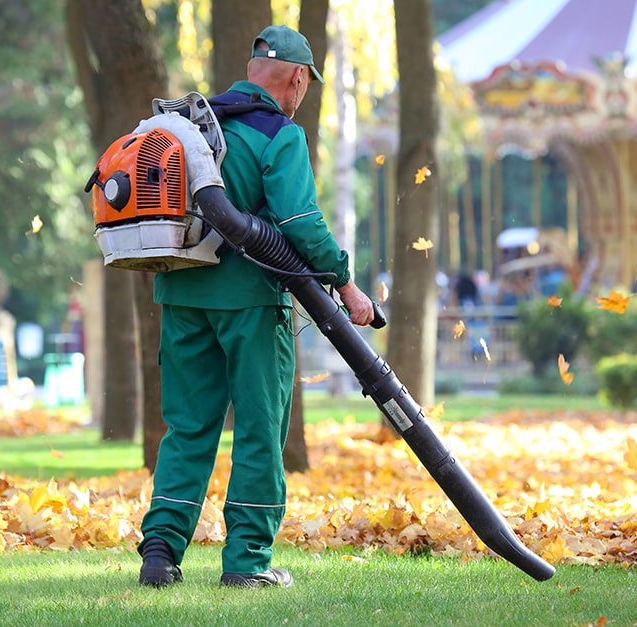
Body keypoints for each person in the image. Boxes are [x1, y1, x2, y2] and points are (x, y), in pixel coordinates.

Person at [137, 25, 374, 588]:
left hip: (181, 295)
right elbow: (300, 225)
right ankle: (248, 562)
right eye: (306, 84)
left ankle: (160, 553)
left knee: (188, 427)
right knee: (260, 431)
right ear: (297, 78)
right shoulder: (277, 134)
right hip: (249, 305)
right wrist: (346, 284)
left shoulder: (193, 128)